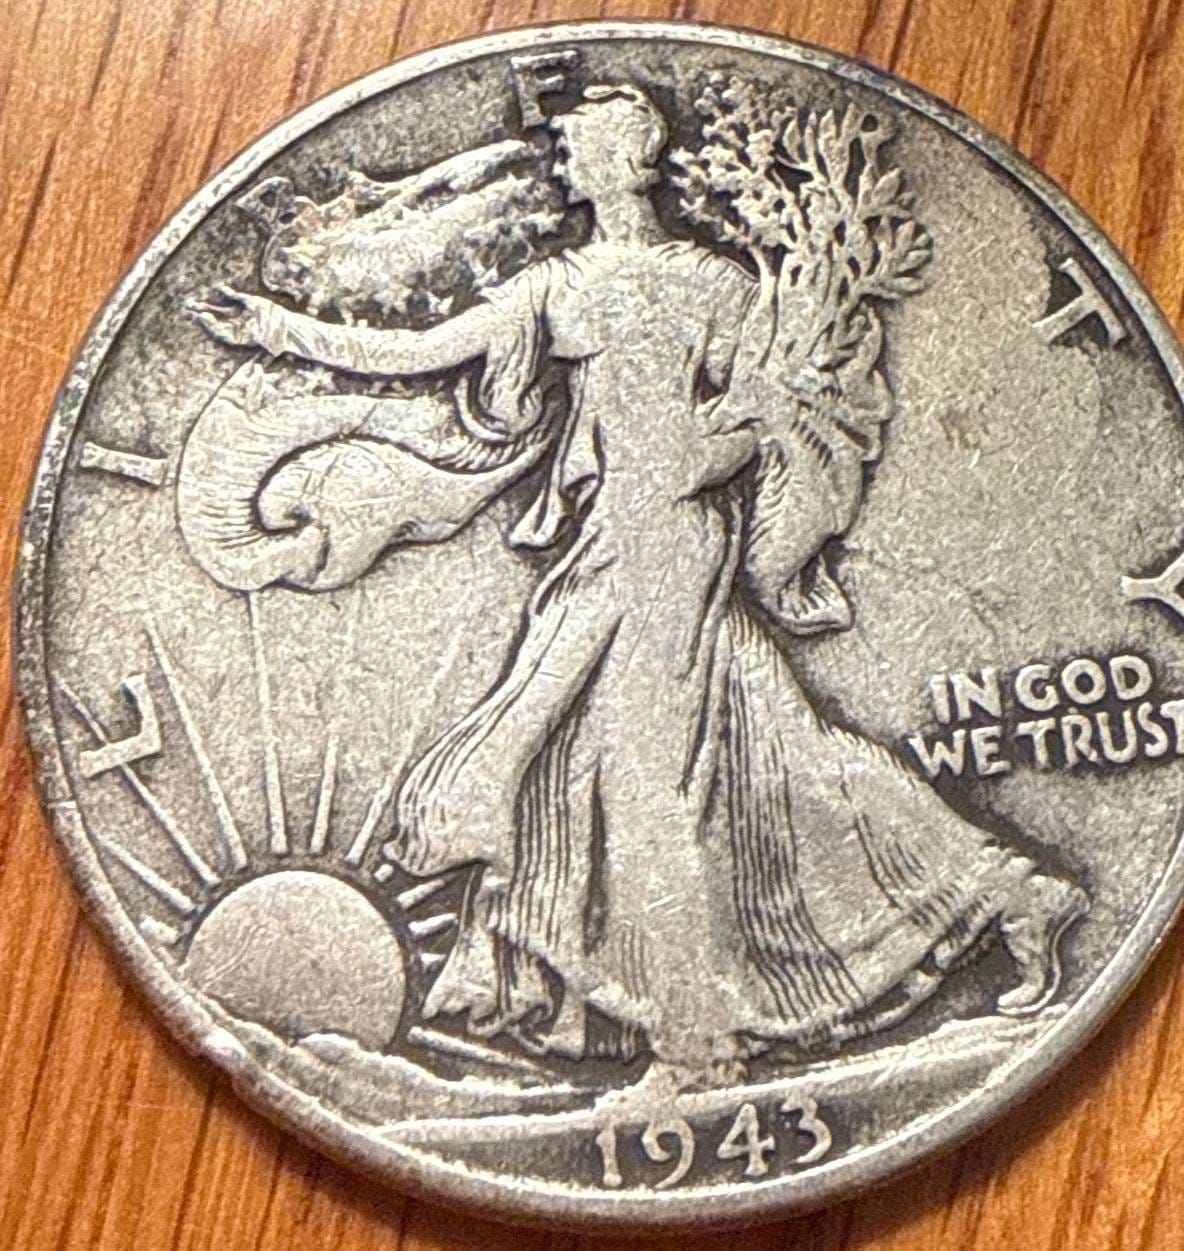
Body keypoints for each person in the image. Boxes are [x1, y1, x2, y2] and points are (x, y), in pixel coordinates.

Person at [193, 83, 1087, 1086]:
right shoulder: (558, 286)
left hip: (671, 547)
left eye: (578, 146)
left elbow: (773, 407)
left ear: (625, 161)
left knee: (645, 785)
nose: (565, 161)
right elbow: (415, 356)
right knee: (771, 749)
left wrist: (701, 459)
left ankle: (696, 1044)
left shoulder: (711, 284)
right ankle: (1008, 893)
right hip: (608, 543)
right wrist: (278, 329)